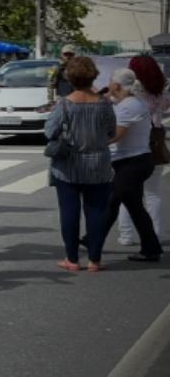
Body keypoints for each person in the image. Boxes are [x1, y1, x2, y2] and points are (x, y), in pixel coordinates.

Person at [44, 56, 116, 272]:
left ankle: (72, 259)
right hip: (99, 165)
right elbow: (111, 131)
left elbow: (49, 132)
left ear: (69, 77)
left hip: (68, 165)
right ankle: (95, 259)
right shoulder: (104, 104)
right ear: (93, 76)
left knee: (69, 212)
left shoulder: (64, 105)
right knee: (96, 212)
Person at [99, 68, 162, 263]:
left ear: (116, 85)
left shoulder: (127, 106)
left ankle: (151, 249)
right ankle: (92, 239)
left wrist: (93, 141)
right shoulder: (133, 102)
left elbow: (116, 135)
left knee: (134, 208)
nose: (108, 85)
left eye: (110, 81)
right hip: (136, 161)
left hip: (131, 164)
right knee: (112, 203)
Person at [118, 55, 169, 247]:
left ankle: (126, 234)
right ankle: (157, 232)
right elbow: (165, 107)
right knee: (153, 194)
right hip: (155, 142)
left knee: (127, 193)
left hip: (134, 143)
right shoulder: (160, 91)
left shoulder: (134, 93)